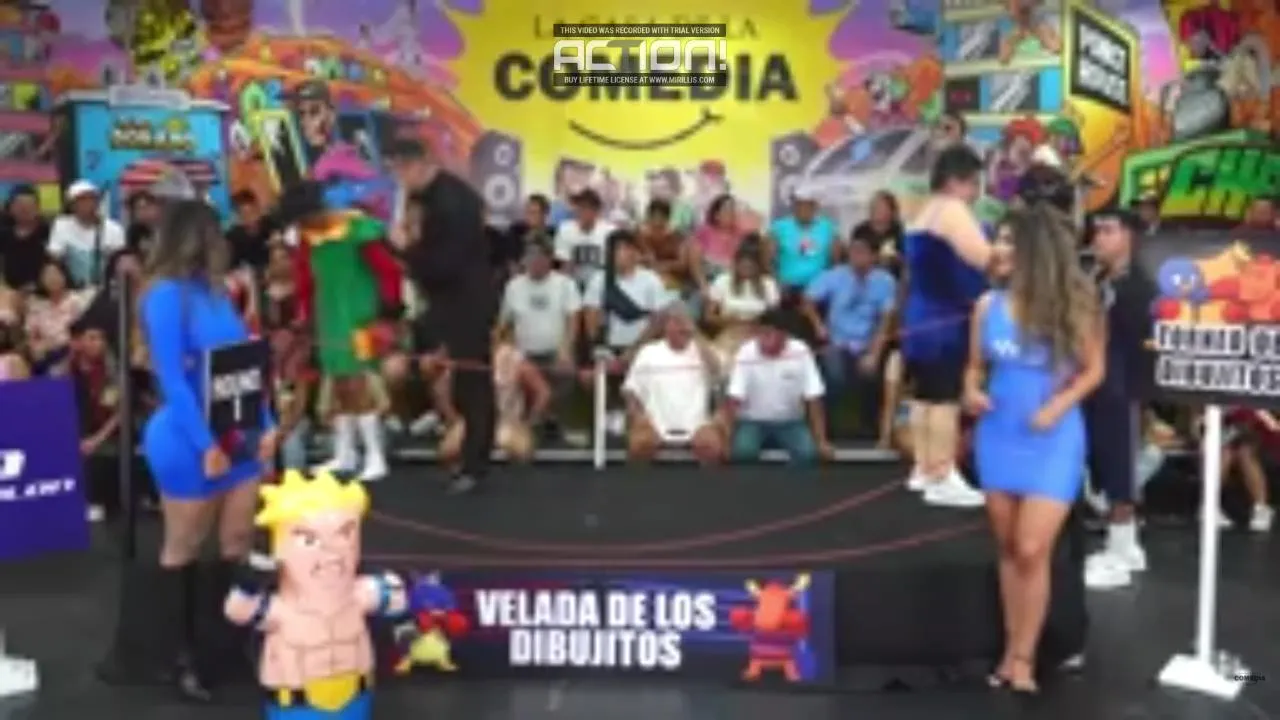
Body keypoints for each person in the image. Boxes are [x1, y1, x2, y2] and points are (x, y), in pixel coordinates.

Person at [138, 199, 278, 701]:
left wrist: (267, 425)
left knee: (237, 539)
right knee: (185, 546)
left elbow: (245, 366)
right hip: (187, 437)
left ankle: (227, 646)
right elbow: (172, 379)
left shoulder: (219, 293)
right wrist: (204, 444)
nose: (222, 242)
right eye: (213, 234)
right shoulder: (163, 297)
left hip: (236, 432)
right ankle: (182, 658)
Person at [964, 200, 1103, 694]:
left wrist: (1058, 405)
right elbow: (975, 367)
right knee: (1008, 549)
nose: (998, 249)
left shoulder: (1073, 305)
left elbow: (1094, 370)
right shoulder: (987, 306)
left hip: (1053, 438)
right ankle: (1010, 652)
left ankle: (1024, 658)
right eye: (998, 239)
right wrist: (971, 392)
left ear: (1033, 249)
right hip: (998, 434)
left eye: (1007, 240)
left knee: (1031, 548)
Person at [223, 470, 408, 720]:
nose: (331, 552)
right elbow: (238, 610)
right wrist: (255, 571)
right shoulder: (281, 610)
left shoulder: (362, 595)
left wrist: (396, 610)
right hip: (297, 706)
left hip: (356, 699)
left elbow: (397, 601)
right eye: (309, 540)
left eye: (345, 534)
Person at [386, 138, 496, 495]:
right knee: (447, 376)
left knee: (472, 382)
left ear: (416, 164)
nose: (399, 180)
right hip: (443, 300)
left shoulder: (452, 202)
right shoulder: (431, 196)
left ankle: (475, 464)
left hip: (466, 301)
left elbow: (445, 263)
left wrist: (406, 252)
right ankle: (461, 449)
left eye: (400, 171)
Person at [278, 180, 402, 482]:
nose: (302, 226)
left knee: (359, 383)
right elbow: (306, 280)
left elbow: (389, 271)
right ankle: (345, 453)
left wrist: (389, 311)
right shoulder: (309, 240)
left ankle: (374, 454)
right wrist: (304, 315)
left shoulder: (358, 230)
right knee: (337, 384)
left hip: (361, 317)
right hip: (329, 317)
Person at [901, 145, 992, 508]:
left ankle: (923, 467)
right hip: (944, 317)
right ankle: (941, 474)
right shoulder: (953, 211)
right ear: (957, 180)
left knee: (924, 395)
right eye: (974, 183)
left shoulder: (924, 209)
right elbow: (984, 259)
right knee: (944, 398)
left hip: (919, 314)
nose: (976, 192)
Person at [1081, 208, 1155, 589]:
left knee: (1119, 466)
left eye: (1108, 231)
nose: (1099, 238)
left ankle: (1123, 548)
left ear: (1128, 236)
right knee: (1101, 465)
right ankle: (1122, 543)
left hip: (1122, 385)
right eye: (1096, 231)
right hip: (1094, 382)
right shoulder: (1098, 279)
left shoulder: (1139, 286)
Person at [804, 228, 897, 438]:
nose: (856, 256)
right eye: (853, 251)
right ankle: (827, 429)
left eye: (862, 252)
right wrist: (818, 325)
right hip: (836, 342)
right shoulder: (834, 276)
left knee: (873, 377)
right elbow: (808, 299)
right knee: (834, 376)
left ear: (874, 256)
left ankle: (869, 428)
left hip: (867, 343)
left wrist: (874, 354)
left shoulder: (885, 281)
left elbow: (885, 321)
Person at [724, 308, 834, 464]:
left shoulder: (801, 351)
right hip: (752, 421)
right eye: (761, 333)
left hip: (791, 421)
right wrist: (728, 439)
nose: (763, 339)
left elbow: (814, 397)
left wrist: (821, 440)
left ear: (784, 336)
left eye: (769, 334)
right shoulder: (745, 353)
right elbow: (734, 399)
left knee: (807, 453)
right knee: (742, 453)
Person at [623, 304, 725, 464]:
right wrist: (638, 417)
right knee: (640, 445)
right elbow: (630, 391)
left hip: (697, 425)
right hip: (654, 424)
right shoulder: (648, 352)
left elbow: (717, 369)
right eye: (676, 322)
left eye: (684, 322)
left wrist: (695, 334)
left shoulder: (703, 351)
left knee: (711, 446)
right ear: (666, 326)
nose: (681, 327)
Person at [437, 328, 551, 465]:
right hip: (470, 423)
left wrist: (528, 422)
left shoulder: (513, 358)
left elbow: (543, 392)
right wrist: (453, 418)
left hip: (506, 422)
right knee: (447, 451)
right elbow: (441, 389)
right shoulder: (463, 355)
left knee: (522, 451)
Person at [47, 179, 125, 287]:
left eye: (92, 199)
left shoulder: (114, 229)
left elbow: (121, 263)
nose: (88, 204)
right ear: (72, 205)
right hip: (72, 289)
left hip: (105, 288)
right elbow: (54, 258)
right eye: (82, 200)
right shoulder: (61, 225)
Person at [0, 184, 50, 291]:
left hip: (44, 293)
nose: (24, 209)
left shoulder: (49, 232)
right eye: (19, 205)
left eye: (29, 205)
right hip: (10, 293)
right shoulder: (4, 235)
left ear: (38, 209)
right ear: (10, 209)